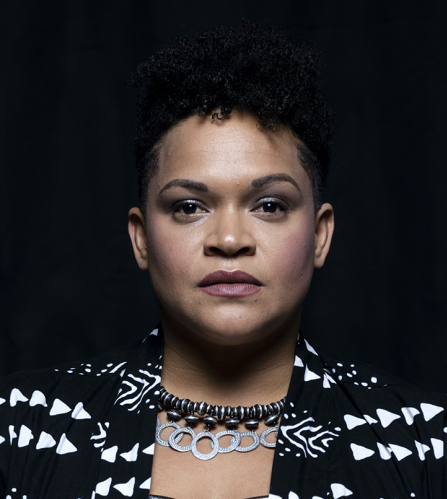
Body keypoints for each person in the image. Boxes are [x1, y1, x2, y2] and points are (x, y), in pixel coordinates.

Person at [0, 20, 445, 499]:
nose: (229, 240)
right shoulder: (21, 427)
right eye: (189, 207)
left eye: (269, 205)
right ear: (141, 238)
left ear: (319, 235)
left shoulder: (424, 445)